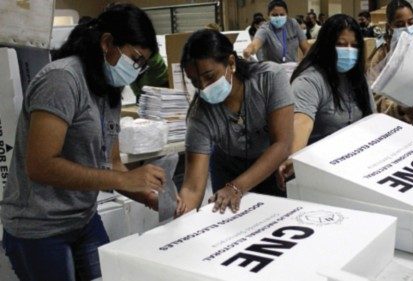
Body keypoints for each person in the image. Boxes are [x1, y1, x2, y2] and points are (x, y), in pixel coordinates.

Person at [1, 4, 169, 281]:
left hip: (83, 219)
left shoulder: (107, 89)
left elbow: (113, 164)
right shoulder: (62, 79)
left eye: (142, 65)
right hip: (40, 227)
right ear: (107, 43)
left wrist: (150, 198)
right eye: (135, 59)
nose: (136, 71)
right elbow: (41, 165)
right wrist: (126, 180)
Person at [176, 29, 293, 216]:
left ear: (230, 63)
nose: (204, 87)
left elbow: (282, 144)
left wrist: (237, 187)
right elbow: (192, 188)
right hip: (227, 171)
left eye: (210, 76)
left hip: (271, 165)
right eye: (195, 81)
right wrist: (180, 217)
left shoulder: (269, 78)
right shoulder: (200, 115)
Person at [277, 14, 375, 187]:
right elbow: (301, 122)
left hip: (358, 166)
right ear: (327, 45)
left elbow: (373, 121)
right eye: (341, 45)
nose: (349, 51)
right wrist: (294, 157)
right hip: (322, 172)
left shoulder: (358, 78)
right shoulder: (309, 80)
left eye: (354, 46)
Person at [243, 0, 310, 63]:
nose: (278, 17)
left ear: (287, 14)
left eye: (282, 15)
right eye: (274, 15)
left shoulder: (293, 24)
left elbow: (306, 48)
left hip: (292, 68)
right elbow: (255, 44)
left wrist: (303, 64)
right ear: (268, 15)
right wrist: (248, 50)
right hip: (273, 71)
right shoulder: (265, 29)